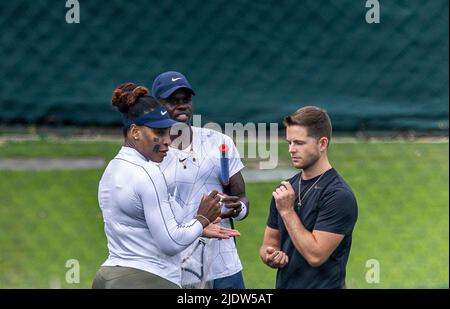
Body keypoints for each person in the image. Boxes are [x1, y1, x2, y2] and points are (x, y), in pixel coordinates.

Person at [92, 83, 239, 289]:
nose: (168, 141)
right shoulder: (148, 173)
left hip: (109, 276)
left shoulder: (114, 167)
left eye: (168, 133)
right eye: (159, 133)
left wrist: (198, 229)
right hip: (146, 280)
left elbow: (143, 225)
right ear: (135, 132)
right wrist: (201, 219)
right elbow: (171, 243)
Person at [151, 71, 249, 289]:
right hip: (178, 267)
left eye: (185, 100)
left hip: (224, 263)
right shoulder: (151, 153)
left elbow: (241, 196)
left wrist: (238, 208)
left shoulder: (218, 141)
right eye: (172, 101)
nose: (182, 106)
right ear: (156, 104)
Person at [259, 106, 358, 289]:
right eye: (289, 142)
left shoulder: (338, 195)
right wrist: (271, 255)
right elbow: (268, 243)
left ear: (322, 144)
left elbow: (316, 256)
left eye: (299, 143)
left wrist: (288, 212)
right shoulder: (285, 190)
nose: (291, 149)